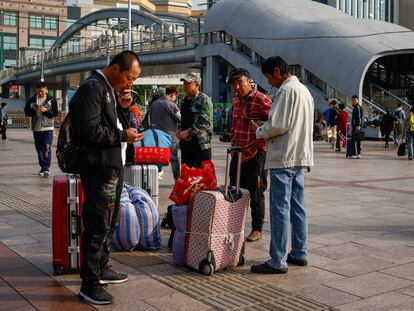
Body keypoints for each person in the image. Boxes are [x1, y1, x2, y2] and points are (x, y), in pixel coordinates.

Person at [70, 51, 143, 305]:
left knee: (108, 223)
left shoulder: (108, 89)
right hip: (98, 168)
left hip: (113, 166)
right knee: (96, 224)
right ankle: (89, 282)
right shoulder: (92, 89)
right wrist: (124, 137)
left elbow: (112, 125)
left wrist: (123, 110)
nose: (130, 83)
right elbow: (89, 130)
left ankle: (101, 269)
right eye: (129, 77)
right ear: (114, 68)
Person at [251, 56, 313, 274]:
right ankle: (299, 251)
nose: (269, 81)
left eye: (269, 76)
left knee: (279, 208)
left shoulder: (286, 91)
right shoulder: (304, 90)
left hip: (283, 156)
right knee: (298, 207)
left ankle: (277, 260)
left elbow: (278, 125)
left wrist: (260, 129)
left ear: (277, 71)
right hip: (299, 155)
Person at [228, 68, 272, 242]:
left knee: (256, 192)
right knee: (233, 190)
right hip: (238, 153)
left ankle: (257, 228)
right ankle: (235, 224)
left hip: (256, 153)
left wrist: (260, 125)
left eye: (240, 82)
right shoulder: (236, 102)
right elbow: (234, 126)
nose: (237, 87)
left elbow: (275, 121)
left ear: (249, 82)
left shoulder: (261, 99)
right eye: (234, 84)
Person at [177, 72, 213, 168]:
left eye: (188, 84)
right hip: (186, 146)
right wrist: (180, 131)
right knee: (188, 176)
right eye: (184, 83)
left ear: (197, 85)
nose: (185, 86)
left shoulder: (204, 99)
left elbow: (205, 123)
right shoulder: (184, 100)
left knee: (201, 177)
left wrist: (187, 132)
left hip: (200, 146)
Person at [24, 82, 58, 176]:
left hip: (48, 128)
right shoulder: (32, 100)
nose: (40, 93)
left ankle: (46, 167)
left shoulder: (51, 100)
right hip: (36, 128)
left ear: (46, 90)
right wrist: (33, 110)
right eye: (39, 91)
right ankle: (42, 167)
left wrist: (46, 110)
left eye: (42, 91)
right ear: (36, 90)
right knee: (39, 148)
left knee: (46, 147)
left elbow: (55, 113)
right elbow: (27, 112)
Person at [148, 85, 181, 180]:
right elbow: (181, 119)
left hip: (156, 138)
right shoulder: (172, 105)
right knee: (174, 159)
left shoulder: (154, 104)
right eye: (175, 97)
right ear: (172, 95)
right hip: (170, 138)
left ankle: (155, 178)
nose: (175, 99)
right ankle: (177, 179)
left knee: (157, 158)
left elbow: (149, 120)